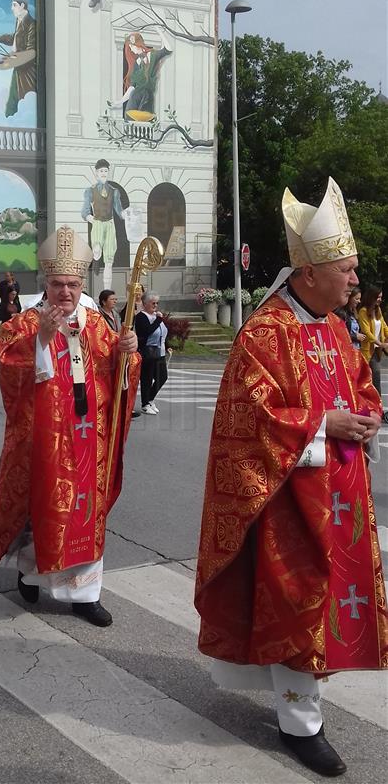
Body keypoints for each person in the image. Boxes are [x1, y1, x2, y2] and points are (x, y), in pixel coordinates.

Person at [194, 178, 386, 778]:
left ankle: (299, 701)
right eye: (348, 270)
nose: (356, 280)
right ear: (310, 273)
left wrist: (368, 414)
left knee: (334, 600)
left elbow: (359, 384)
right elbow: (246, 416)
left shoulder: (332, 325)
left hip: (343, 493)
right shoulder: (263, 332)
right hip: (287, 497)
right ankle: (301, 724)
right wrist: (322, 423)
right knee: (300, 602)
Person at [0, 226, 140, 627]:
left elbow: (119, 374)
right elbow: (10, 372)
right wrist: (42, 339)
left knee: (87, 513)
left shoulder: (98, 324)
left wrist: (130, 354)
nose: (66, 292)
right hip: (46, 442)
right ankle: (30, 573)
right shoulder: (22, 324)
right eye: (58, 284)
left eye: (73, 284)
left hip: (92, 439)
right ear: (45, 283)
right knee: (45, 510)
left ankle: (85, 595)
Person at [108, 29, 172, 121]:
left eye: (131, 46)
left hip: (148, 96)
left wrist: (160, 32)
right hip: (136, 96)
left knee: (147, 122)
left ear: (138, 44)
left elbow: (168, 49)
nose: (130, 49)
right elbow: (133, 86)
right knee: (129, 118)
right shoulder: (137, 63)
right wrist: (120, 101)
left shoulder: (152, 55)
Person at [0, 0, 36, 118]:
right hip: (18, 66)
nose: (12, 8)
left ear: (22, 6)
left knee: (22, 98)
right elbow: (15, 38)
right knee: (13, 100)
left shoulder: (31, 24)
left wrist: (16, 58)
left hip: (27, 70)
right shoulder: (20, 21)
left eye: (14, 5)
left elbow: (31, 51)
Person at [81, 160, 126, 289]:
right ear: (96, 173)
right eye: (101, 171)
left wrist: (127, 215)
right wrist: (91, 219)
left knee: (109, 259)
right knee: (97, 249)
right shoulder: (91, 190)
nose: (104, 173)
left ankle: (107, 289)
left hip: (110, 224)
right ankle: (96, 257)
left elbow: (119, 210)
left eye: (105, 171)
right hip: (98, 223)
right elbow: (85, 211)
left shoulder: (114, 191)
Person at [134, 290, 168, 415]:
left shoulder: (155, 316)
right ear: (145, 304)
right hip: (148, 351)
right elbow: (147, 331)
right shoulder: (141, 317)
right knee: (147, 378)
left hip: (160, 351)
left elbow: (162, 333)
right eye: (153, 303)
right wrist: (158, 320)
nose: (155, 306)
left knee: (162, 377)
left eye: (157, 303)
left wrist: (167, 346)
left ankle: (150, 399)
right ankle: (145, 403)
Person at [358, 286, 388, 423]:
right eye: (378, 297)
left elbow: (384, 327)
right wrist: (379, 343)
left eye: (381, 297)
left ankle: (377, 409)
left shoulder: (378, 311)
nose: (380, 300)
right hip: (367, 351)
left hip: (377, 352)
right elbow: (366, 332)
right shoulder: (363, 312)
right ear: (372, 297)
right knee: (368, 379)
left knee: (376, 379)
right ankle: (370, 408)